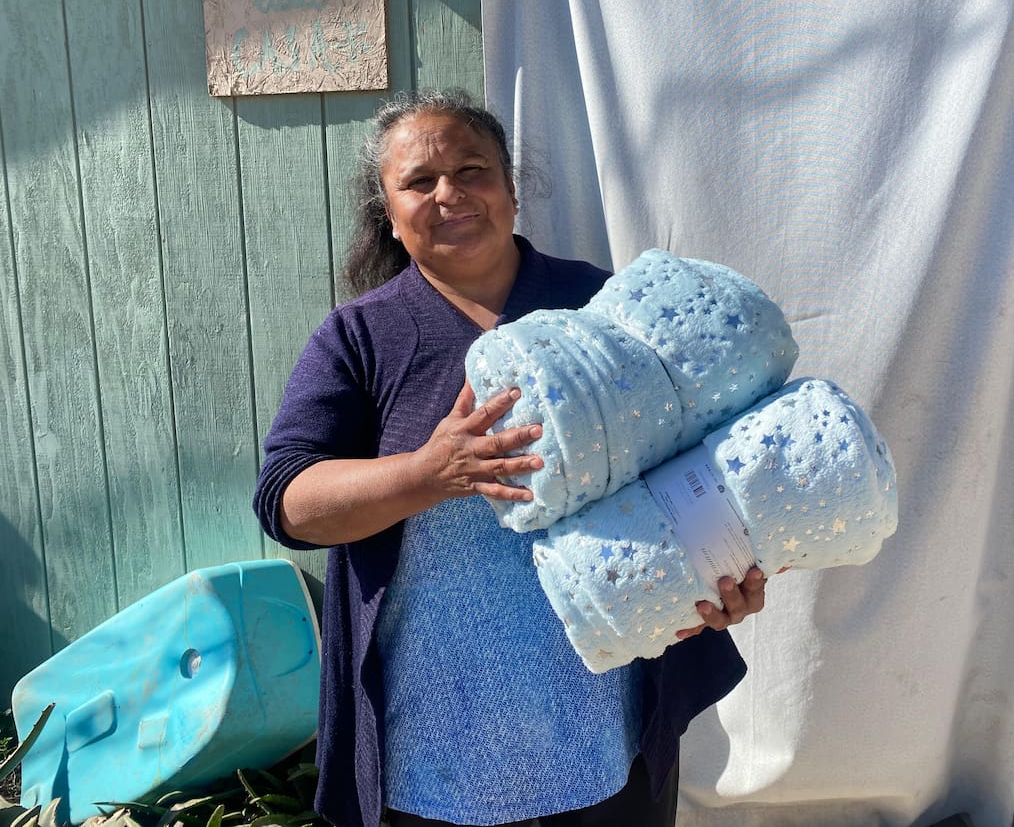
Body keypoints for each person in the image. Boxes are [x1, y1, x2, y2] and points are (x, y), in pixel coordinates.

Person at [253, 89, 768, 827]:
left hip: (607, 735)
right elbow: (287, 500)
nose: (449, 194)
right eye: (419, 182)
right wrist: (427, 474)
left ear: (511, 189)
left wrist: (724, 564)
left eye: (472, 170)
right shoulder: (362, 339)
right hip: (429, 753)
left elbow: (699, 458)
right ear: (389, 213)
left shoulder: (603, 305)